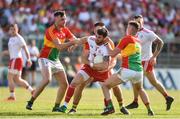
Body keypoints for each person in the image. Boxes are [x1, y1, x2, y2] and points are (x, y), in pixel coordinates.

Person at [58, 27, 129, 115]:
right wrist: (72, 45)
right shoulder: (91, 39)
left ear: (104, 38)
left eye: (99, 37)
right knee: (74, 83)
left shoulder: (107, 47)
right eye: (96, 36)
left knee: (109, 87)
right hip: (89, 68)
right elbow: (79, 40)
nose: (96, 38)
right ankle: (65, 106)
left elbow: (105, 65)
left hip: (102, 71)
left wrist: (95, 65)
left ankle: (117, 106)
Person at [26, 10, 78, 111]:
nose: (64, 21)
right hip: (45, 58)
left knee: (64, 84)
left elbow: (75, 39)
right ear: (56, 19)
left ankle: (56, 107)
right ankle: (31, 101)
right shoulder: (51, 30)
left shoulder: (65, 30)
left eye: (65, 19)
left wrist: (74, 44)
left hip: (55, 59)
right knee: (47, 79)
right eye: (62, 19)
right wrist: (72, 43)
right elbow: (59, 47)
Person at [101, 21, 154, 116]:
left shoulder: (126, 39)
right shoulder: (138, 41)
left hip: (127, 70)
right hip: (139, 71)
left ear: (130, 29)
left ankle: (110, 107)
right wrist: (117, 55)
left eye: (127, 27)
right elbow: (125, 55)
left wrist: (106, 44)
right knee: (140, 89)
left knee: (105, 85)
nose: (126, 29)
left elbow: (112, 53)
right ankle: (150, 110)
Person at [125, 15, 174, 111]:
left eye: (140, 21)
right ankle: (167, 97)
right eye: (136, 21)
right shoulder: (131, 32)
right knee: (153, 82)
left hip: (145, 61)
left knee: (137, 81)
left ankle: (136, 102)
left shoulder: (148, 33)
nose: (138, 23)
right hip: (136, 60)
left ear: (143, 22)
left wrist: (154, 57)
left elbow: (160, 42)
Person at [2, 24, 33, 101]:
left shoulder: (19, 38)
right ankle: (32, 91)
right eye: (11, 29)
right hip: (14, 60)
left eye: (14, 29)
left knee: (9, 77)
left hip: (16, 60)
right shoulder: (11, 38)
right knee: (17, 79)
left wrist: (29, 59)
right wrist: (5, 52)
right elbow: (12, 51)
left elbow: (25, 49)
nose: (12, 31)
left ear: (17, 29)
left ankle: (12, 96)